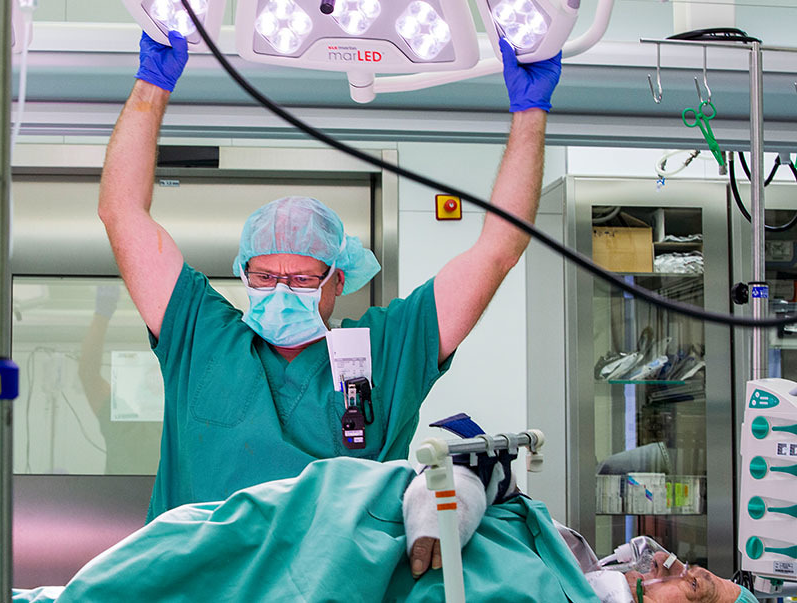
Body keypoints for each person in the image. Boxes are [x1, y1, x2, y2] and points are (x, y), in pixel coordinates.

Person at [98, 28, 563, 520]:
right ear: (243, 273)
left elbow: (497, 251)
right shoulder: (201, 335)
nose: (280, 291)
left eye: (302, 280)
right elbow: (121, 213)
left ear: (338, 281)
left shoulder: (387, 349)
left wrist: (529, 113)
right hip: (206, 565)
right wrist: (151, 85)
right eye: (264, 277)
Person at [2, 455, 755, 603]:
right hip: (336, 513)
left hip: (345, 578)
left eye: (698, 592)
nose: (677, 568)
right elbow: (472, 460)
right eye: (696, 569)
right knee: (203, 542)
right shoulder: (567, 549)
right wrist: (454, 487)